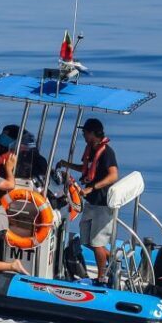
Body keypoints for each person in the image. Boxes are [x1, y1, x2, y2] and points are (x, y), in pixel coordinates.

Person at [56, 118, 119, 283]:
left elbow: (113, 175)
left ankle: (102, 278)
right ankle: (113, 261)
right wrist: (66, 164)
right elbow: (86, 169)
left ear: (92, 133)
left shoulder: (106, 152)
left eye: (85, 132)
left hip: (102, 203)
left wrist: (92, 188)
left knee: (97, 242)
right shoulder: (91, 149)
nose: (83, 134)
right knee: (87, 240)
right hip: (91, 202)